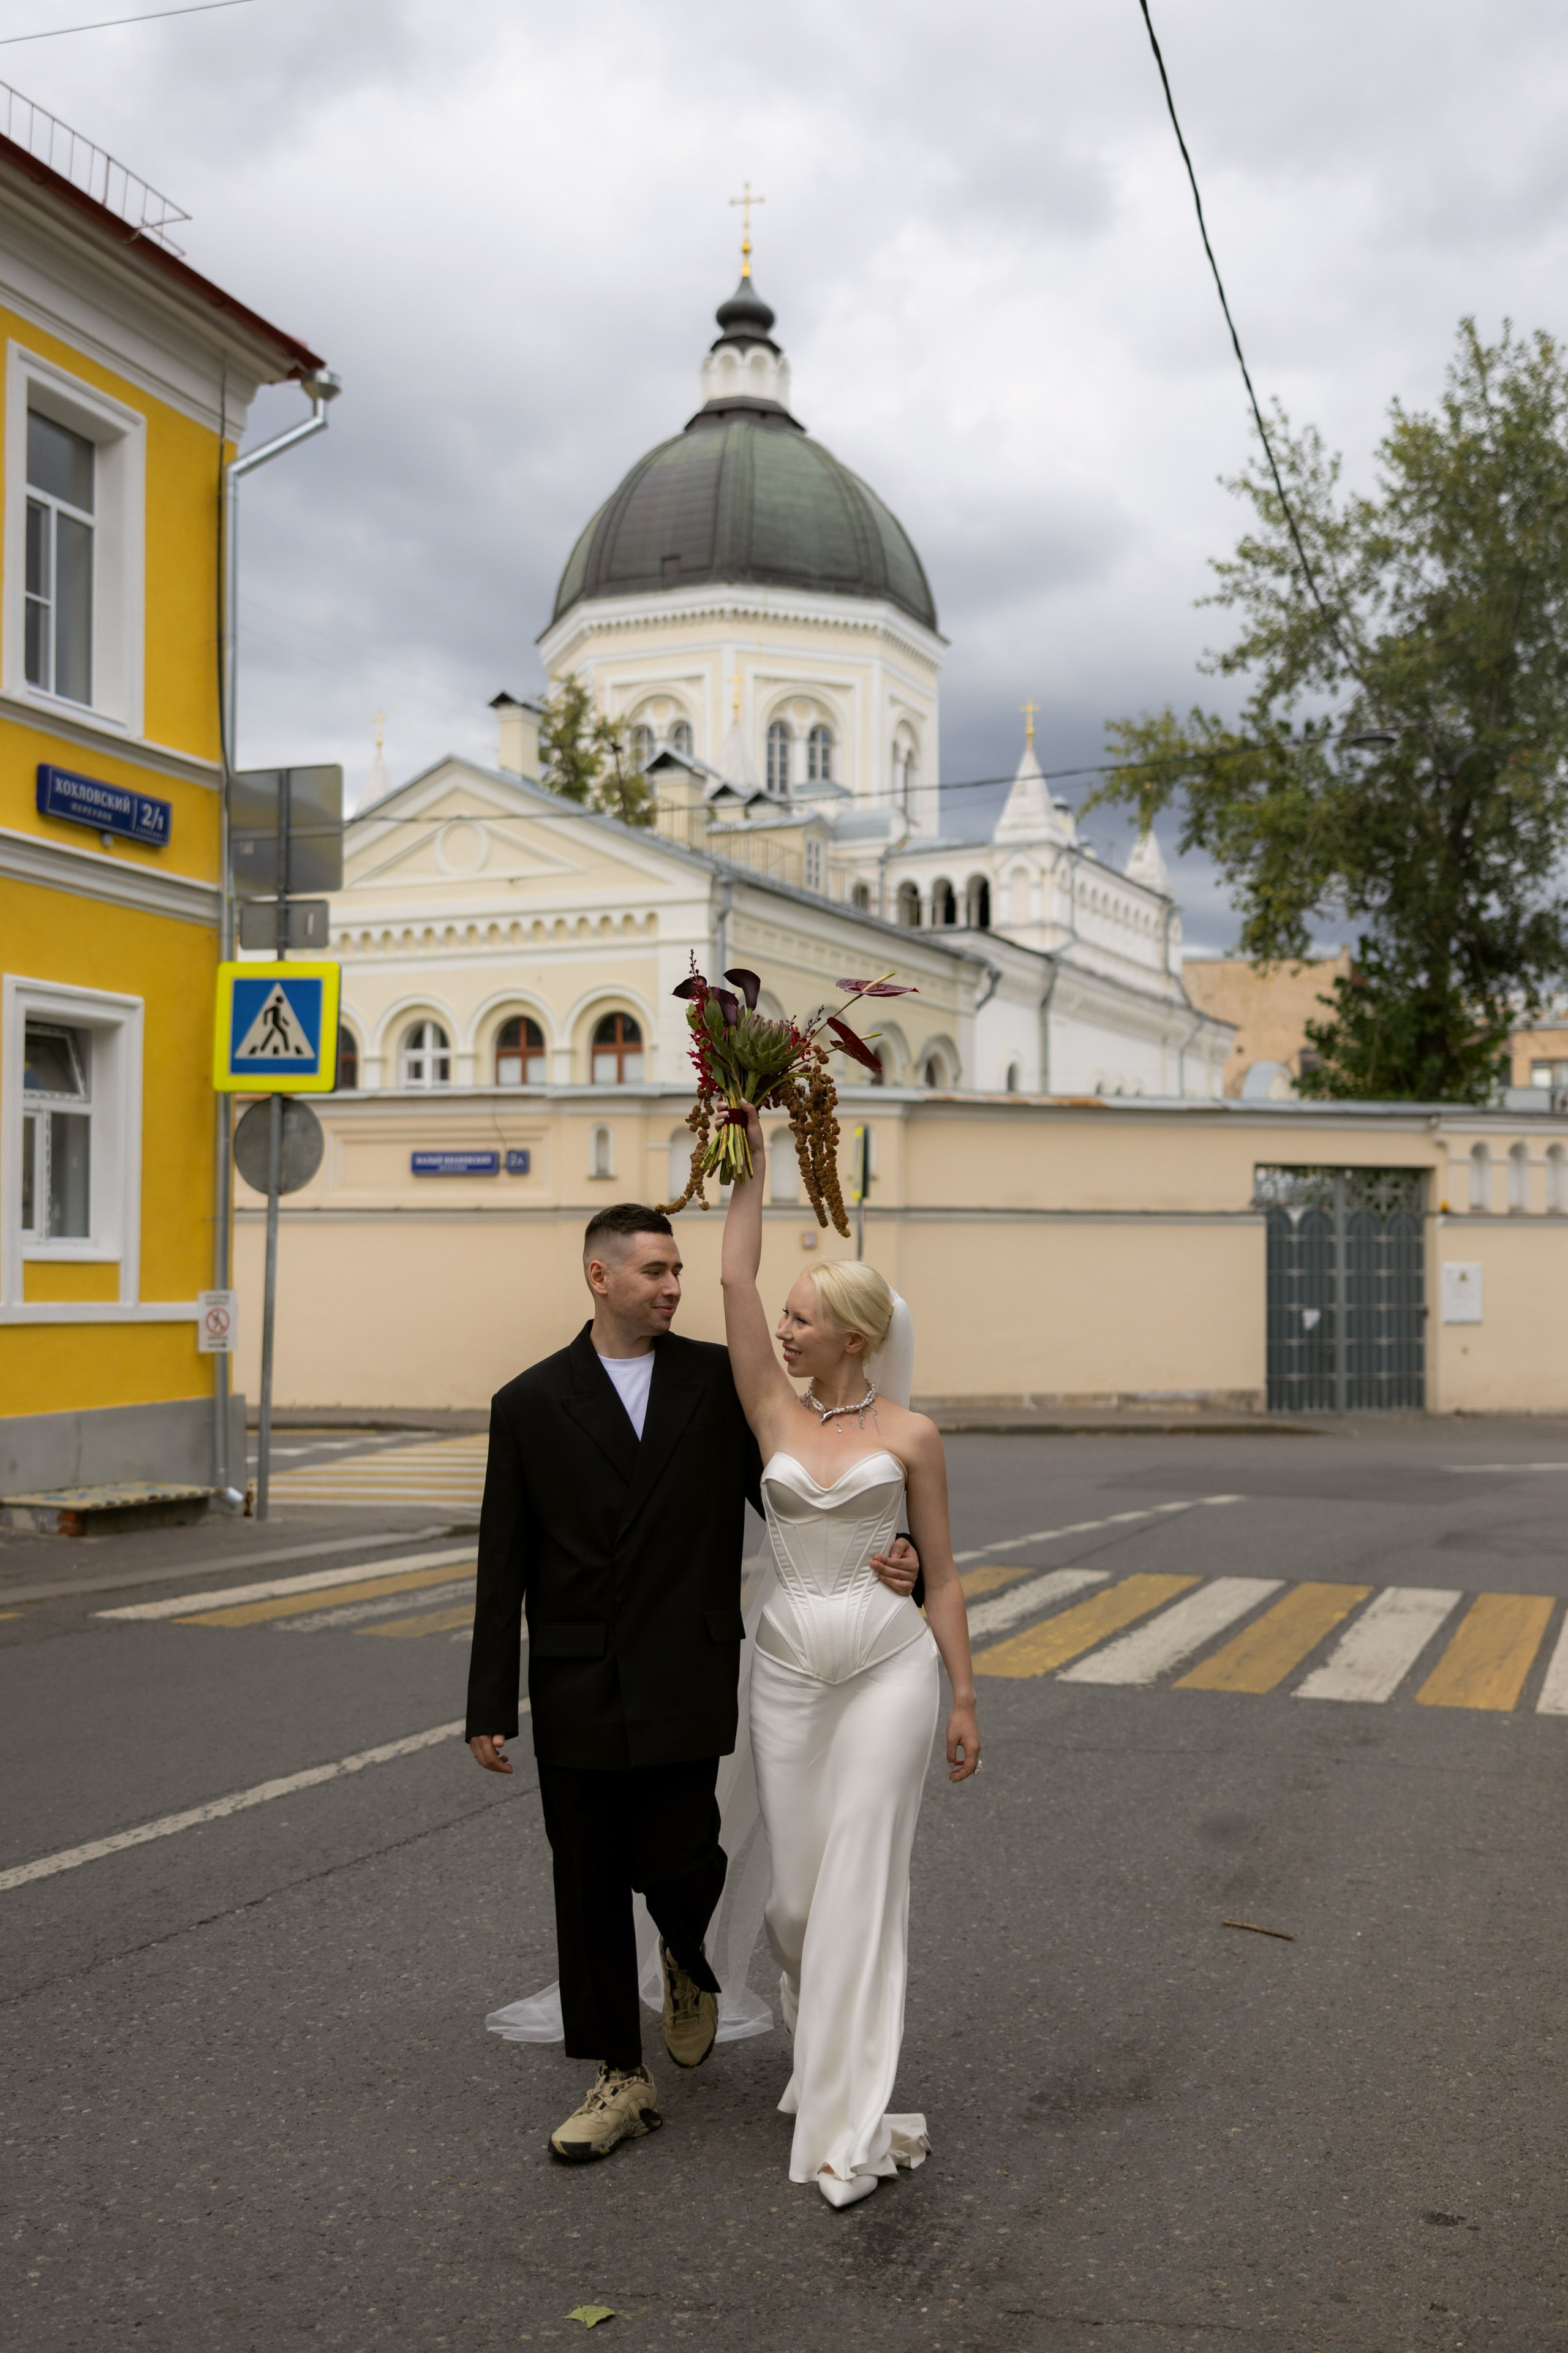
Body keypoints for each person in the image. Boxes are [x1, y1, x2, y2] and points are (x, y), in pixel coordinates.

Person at [464, 1202, 920, 2164]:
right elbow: (502, 1563)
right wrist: (487, 1701)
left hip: (687, 1662)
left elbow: (806, 1492)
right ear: (601, 1278)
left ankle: (683, 1944)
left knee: (682, 1854)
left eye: (680, 1270)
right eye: (656, 1272)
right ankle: (619, 2078)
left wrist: (895, 1551)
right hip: (577, 1671)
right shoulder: (529, 1401)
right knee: (585, 1874)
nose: (675, 1287)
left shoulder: (716, 1382)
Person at [720, 1106, 981, 2208]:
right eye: (785, 1315)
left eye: (804, 1318)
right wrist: (753, 1160)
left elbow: (946, 1576)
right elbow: (732, 1282)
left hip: (888, 1671)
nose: (784, 1329)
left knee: (863, 1889)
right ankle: (817, 2038)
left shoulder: (912, 1437)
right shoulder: (772, 1413)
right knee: (794, 1907)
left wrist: (964, 1694)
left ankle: (846, 2120)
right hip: (786, 1673)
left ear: (854, 1338)